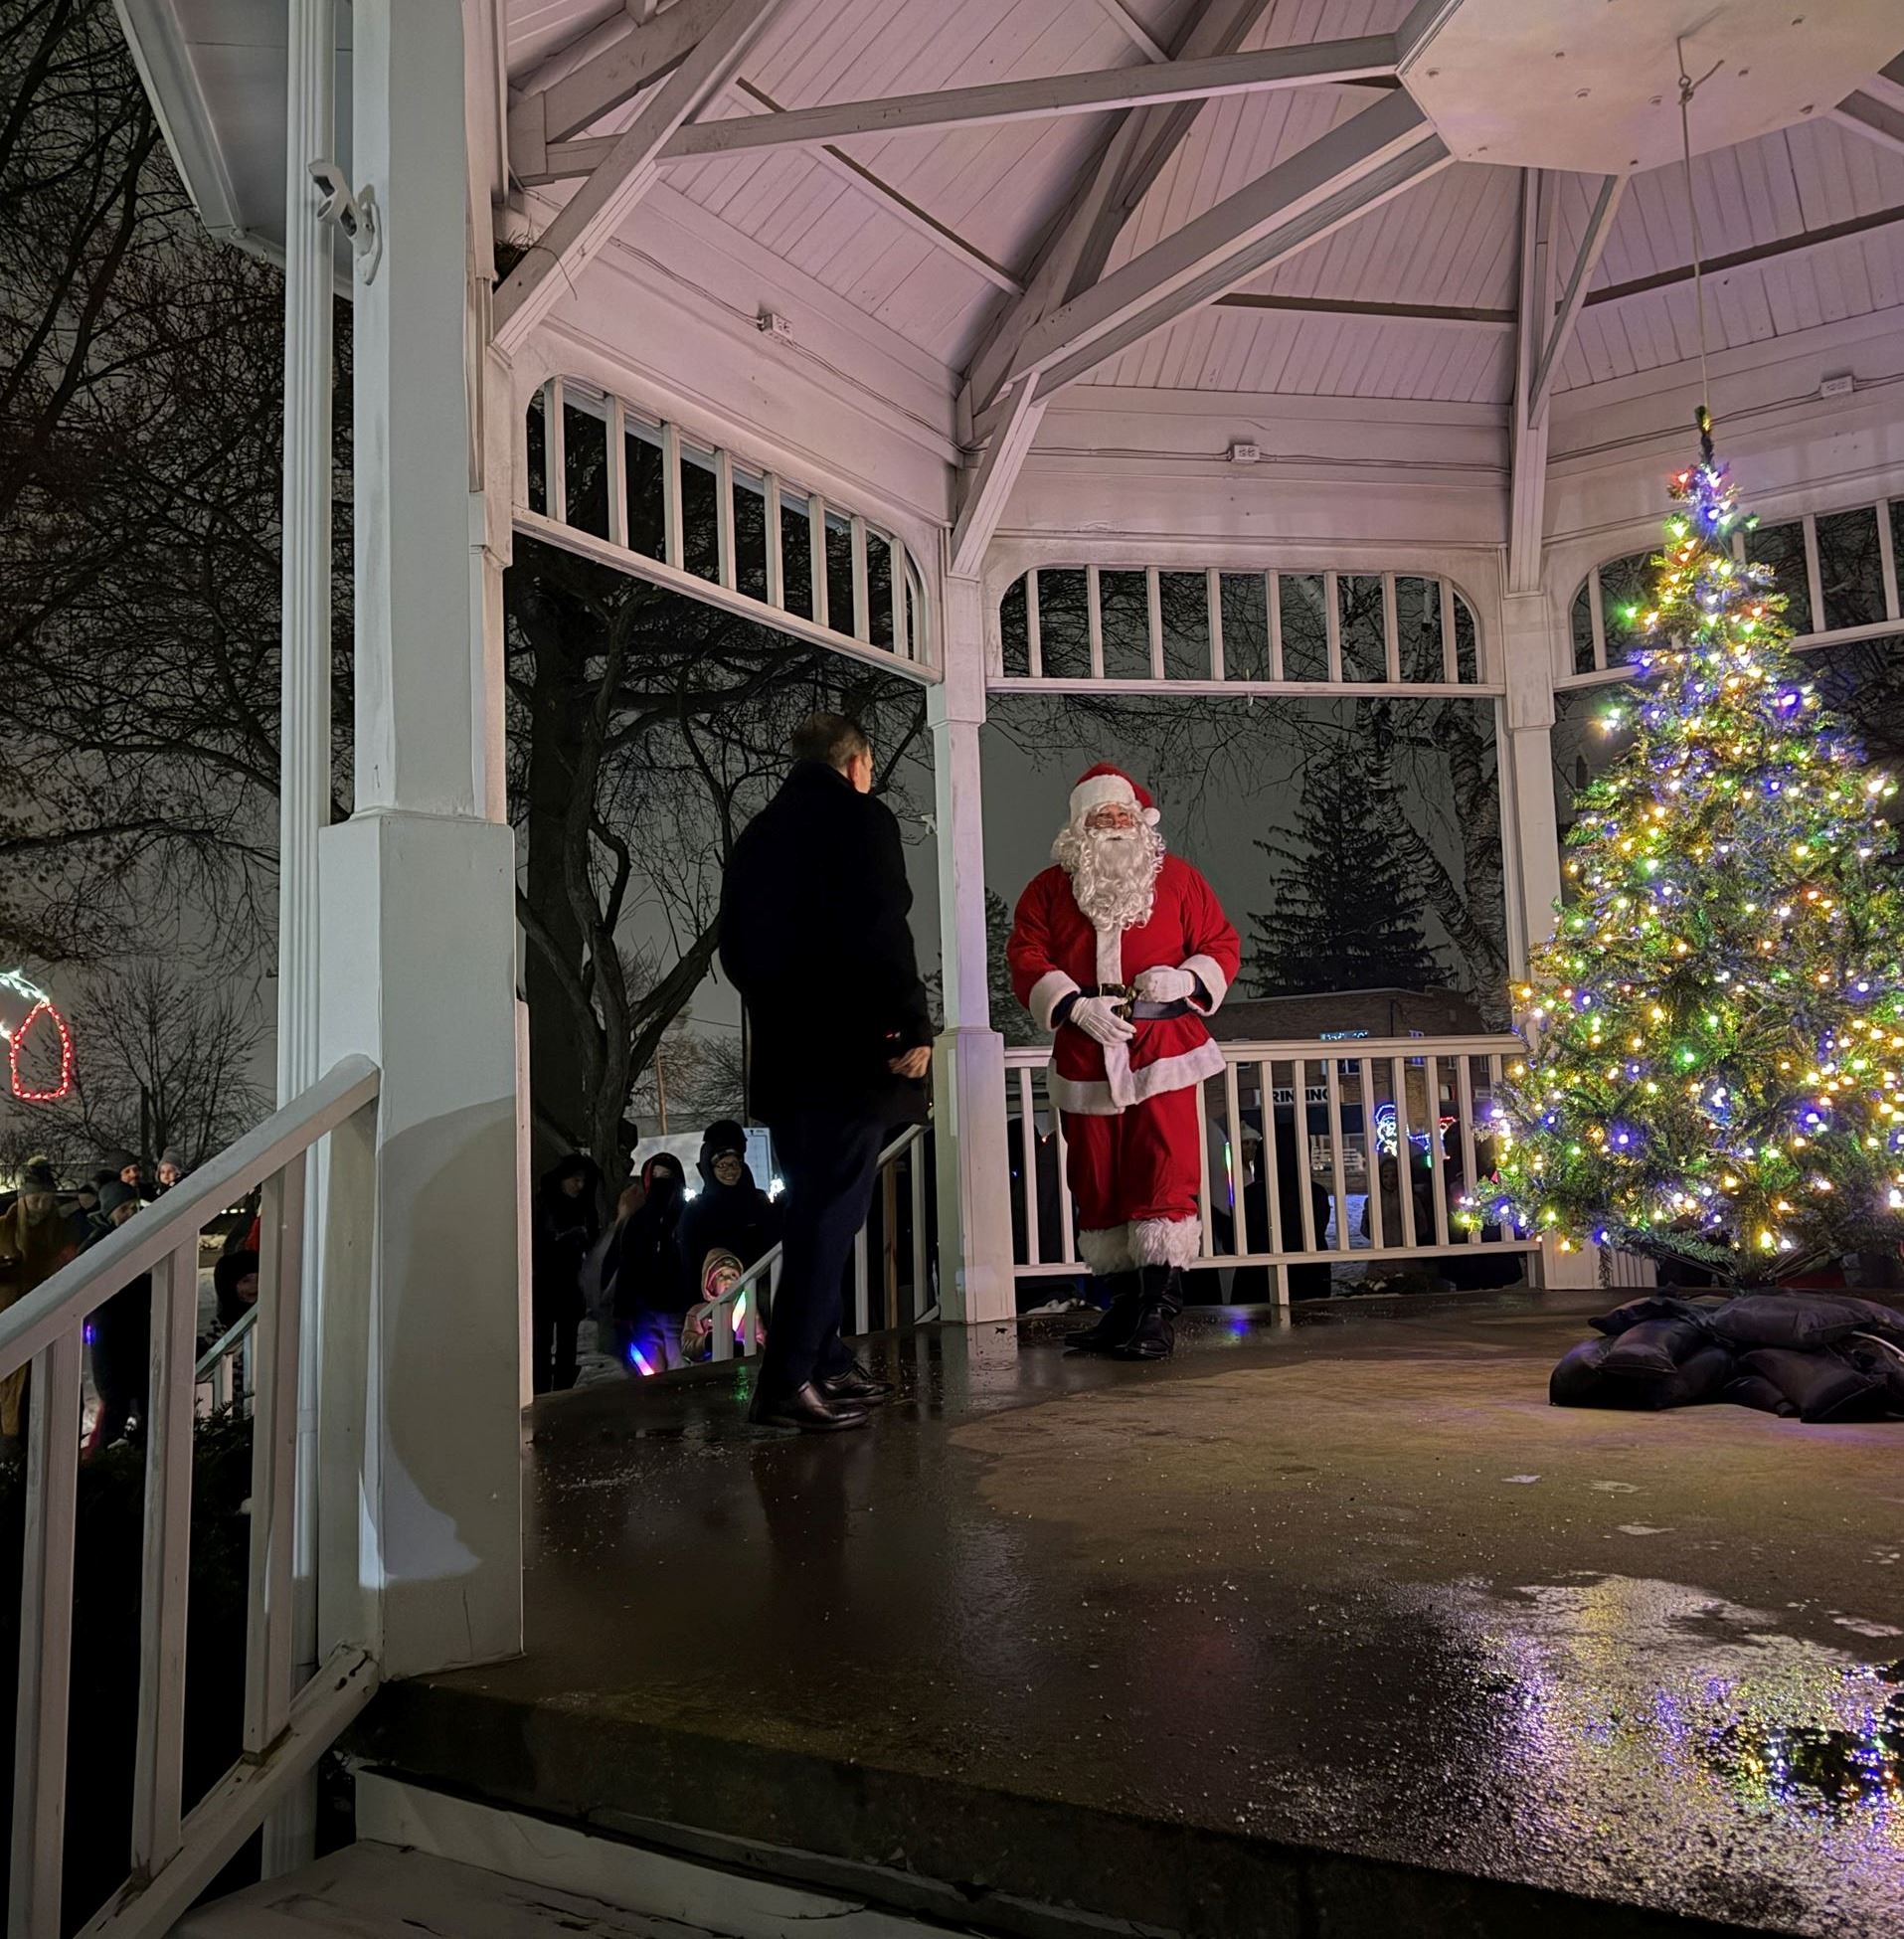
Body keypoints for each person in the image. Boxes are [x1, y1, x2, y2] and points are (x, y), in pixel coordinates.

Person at [719, 712, 932, 1432]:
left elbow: (736, 953)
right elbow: (880, 925)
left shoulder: (756, 835)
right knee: (830, 1213)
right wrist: (905, 1025)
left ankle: (825, 1359)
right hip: (850, 1051)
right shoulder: (861, 820)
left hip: (785, 1052)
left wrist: (783, 1004)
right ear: (856, 762)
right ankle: (786, 1382)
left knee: (810, 1205)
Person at [1008, 764, 1240, 1360]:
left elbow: (1221, 944)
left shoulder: (1180, 880)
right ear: (1079, 827)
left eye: (1121, 816)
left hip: (1163, 1049)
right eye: (1101, 817)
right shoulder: (1048, 889)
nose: (1113, 825)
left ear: (1140, 824)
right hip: (1087, 1051)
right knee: (1095, 1177)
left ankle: (1159, 1315)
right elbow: (1026, 953)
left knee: (1163, 1169)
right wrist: (1072, 1004)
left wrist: (1185, 978)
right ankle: (1123, 1309)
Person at [0, 1161, 80, 1441]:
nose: (41, 1206)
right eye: (35, 1199)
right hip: (11, 1328)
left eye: (47, 1200)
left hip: (51, 1328)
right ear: (23, 1199)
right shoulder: (4, 1230)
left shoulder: (62, 1232)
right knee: (14, 1411)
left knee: (54, 1407)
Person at [85, 1181, 151, 1451]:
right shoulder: (98, 1244)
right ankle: (101, 1462)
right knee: (115, 1401)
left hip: (139, 1329)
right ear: (110, 1213)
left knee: (145, 1396)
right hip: (109, 1332)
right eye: (124, 1209)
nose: (131, 1215)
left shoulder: (145, 1238)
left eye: (135, 1208)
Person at [677, 1120, 779, 1289]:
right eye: (722, 1165)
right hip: (715, 1301)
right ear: (710, 1168)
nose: (730, 1171)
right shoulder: (697, 1211)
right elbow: (688, 1261)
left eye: (734, 1163)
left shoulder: (758, 1201)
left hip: (761, 1293)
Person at [530, 1153, 602, 1394]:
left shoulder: (583, 1207)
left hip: (570, 1283)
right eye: (575, 1180)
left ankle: (561, 1388)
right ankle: (541, 1388)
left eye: (583, 1181)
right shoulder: (544, 1204)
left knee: (567, 1342)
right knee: (542, 1341)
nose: (579, 1186)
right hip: (545, 1281)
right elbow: (539, 1241)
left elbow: (592, 1240)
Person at [613, 1152, 689, 1374]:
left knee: (680, 1369)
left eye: (667, 1175)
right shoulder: (639, 1220)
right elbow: (627, 1265)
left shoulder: (685, 1215)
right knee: (649, 1371)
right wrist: (623, 1311)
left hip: (677, 1309)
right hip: (644, 1311)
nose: (661, 1181)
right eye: (656, 1175)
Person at [681, 1247, 747, 1362]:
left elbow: (760, 1338)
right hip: (708, 1372)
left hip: (740, 1368)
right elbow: (687, 1346)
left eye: (733, 1275)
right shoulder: (698, 1311)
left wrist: (742, 1348)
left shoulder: (746, 1308)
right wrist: (706, 1342)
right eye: (720, 1275)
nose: (727, 1280)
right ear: (710, 1283)